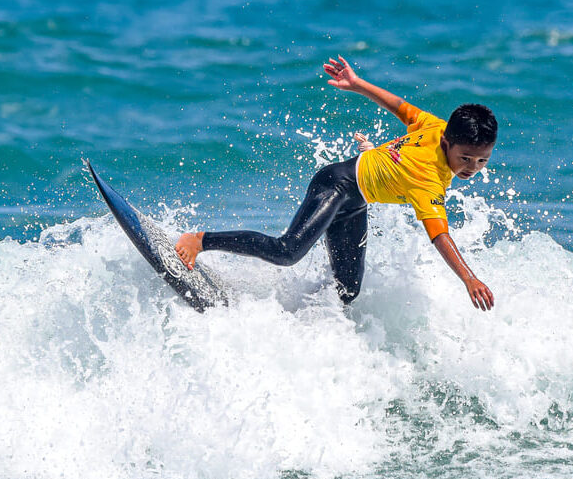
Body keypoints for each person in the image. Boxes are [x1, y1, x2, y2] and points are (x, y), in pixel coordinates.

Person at [174, 56, 497, 310]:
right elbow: (440, 235)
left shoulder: (435, 127)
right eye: (465, 158)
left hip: (354, 203)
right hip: (336, 185)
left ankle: (300, 315)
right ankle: (200, 240)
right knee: (287, 251)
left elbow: (401, 107)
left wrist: (358, 84)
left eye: (482, 160)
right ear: (447, 142)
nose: (471, 168)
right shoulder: (430, 179)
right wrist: (469, 278)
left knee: (347, 292)